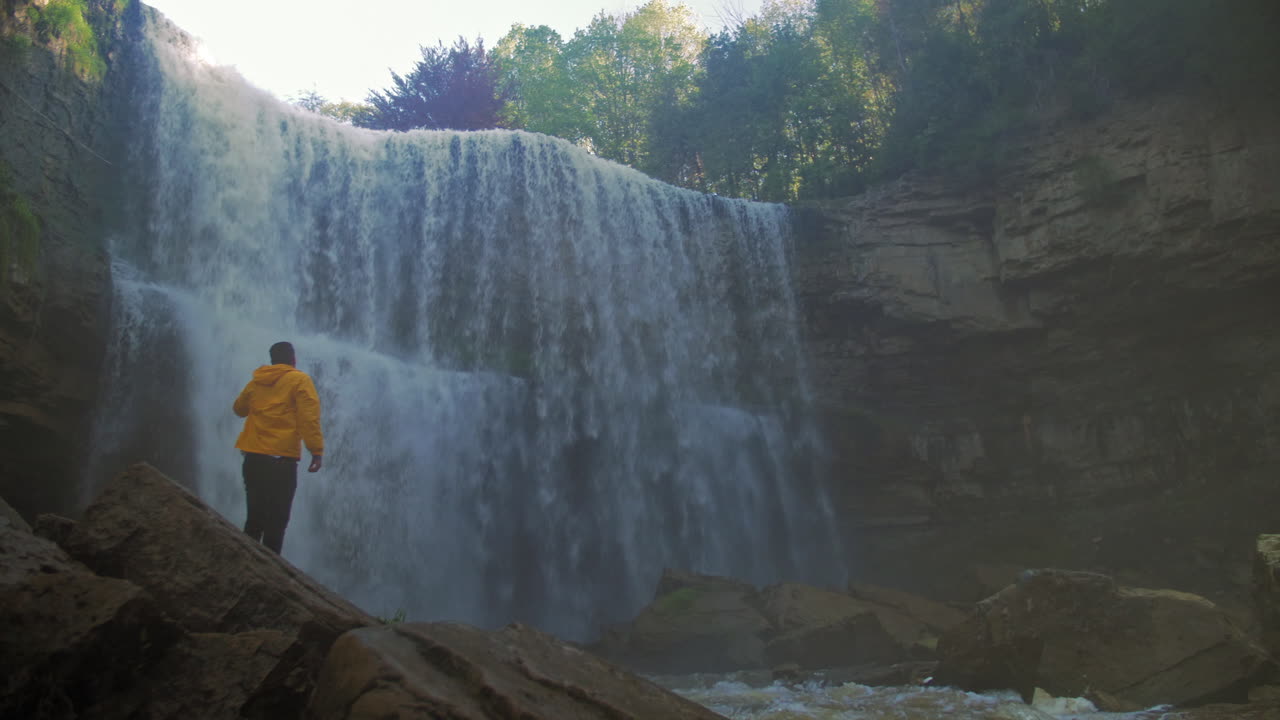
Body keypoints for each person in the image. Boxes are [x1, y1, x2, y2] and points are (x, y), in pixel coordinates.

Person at [232, 341, 324, 554]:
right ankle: (269, 576)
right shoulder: (300, 380)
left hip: (254, 460)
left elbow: (238, 409)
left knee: (254, 520)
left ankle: (244, 568)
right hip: (281, 463)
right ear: (293, 360)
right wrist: (316, 452)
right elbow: (308, 419)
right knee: (276, 525)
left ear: (272, 361)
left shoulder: (257, 381)